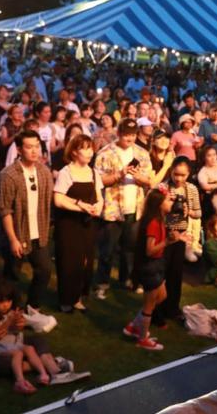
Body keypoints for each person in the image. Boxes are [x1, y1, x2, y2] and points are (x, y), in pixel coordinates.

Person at [0, 273, 86, 387]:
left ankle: (55, 372)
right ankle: (52, 363)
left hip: (5, 339)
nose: (1, 302)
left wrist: (17, 324)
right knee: (4, 365)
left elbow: (6, 326)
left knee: (38, 341)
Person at [0, 130, 54, 311]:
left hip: (39, 232)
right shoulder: (9, 175)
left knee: (44, 270)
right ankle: (6, 309)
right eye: (29, 147)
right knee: (12, 275)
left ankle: (32, 307)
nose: (34, 151)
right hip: (17, 232)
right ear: (20, 150)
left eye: (37, 146)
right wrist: (13, 239)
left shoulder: (44, 172)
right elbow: (5, 210)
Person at [123, 186, 185, 351]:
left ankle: (133, 327)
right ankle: (142, 338)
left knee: (162, 296)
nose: (171, 202)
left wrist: (175, 239)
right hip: (150, 267)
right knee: (149, 306)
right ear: (159, 204)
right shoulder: (153, 223)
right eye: (168, 200)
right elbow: (150, 250)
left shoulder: (161, 218)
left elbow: (171, 230)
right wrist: (167, 242)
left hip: (156, 265)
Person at [94, 119, 149, 298]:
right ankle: (102, 283)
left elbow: (149, 180)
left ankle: (126, 279)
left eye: (133, 134)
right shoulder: (105, 153)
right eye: (126, 134)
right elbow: (99, 180)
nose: (130, 138)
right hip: (112, 209)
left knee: (130, 249)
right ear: (119, 133)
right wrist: (120, 174)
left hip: (135, 208)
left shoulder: (141, 153)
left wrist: (138, 176)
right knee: (107, 250)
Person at [52, 134, 103, 313]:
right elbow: (58, 199)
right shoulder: (67, 172)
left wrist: (97, 207)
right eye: (85, 148)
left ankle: (78, 298)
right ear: (74, 152)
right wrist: (80, 206)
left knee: (85, 262)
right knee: (69, 261)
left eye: (91, 148)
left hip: (88, 224)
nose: (90, 152)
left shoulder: (93, 172)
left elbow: (100, 196)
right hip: (69, 224)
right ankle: (66, 299)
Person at [156, 157, 201, 326]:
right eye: (176, 174)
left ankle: (173, 309)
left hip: (181, 234)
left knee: (175, 273)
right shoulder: (162, 187)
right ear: (171, 171)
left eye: (183, 175)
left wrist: (188, 211)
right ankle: (157, 311)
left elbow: (198, 213)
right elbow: (154, 211)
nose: (179, 179)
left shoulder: (192, 190)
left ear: (189, 174)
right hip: (163, 233)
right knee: (160, 274)